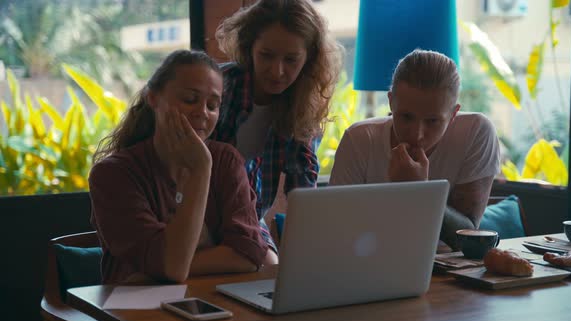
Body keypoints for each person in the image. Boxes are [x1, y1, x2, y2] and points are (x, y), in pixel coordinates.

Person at [89, 50, 273, 284]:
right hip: (136, 310)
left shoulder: (226, 159)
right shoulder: (114, 174)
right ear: (153, 98)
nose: (202, 112)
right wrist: (201, 170)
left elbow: (249, 254)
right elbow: (172, 267)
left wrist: (165, 268)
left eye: (213, 105)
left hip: (213, 300)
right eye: (189, 99)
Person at [329, 49, 500, 250]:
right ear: (391, 102)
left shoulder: (475, 132)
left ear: (453, 114)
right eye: (406, 117)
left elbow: (467, 237)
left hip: (447, 271)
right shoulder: (359, 140)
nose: (417, 134)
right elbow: (337, 231)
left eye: (432, 121)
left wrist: (420, 190)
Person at [213, 0, 343, 252]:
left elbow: (302, 188)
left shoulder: (304, 107)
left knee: (272, 270)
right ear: (249, 47)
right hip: (197, 218)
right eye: (266, 56)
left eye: (291, 59)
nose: (277, 71)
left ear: (309, 59)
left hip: (248, 223)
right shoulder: (220, 90)